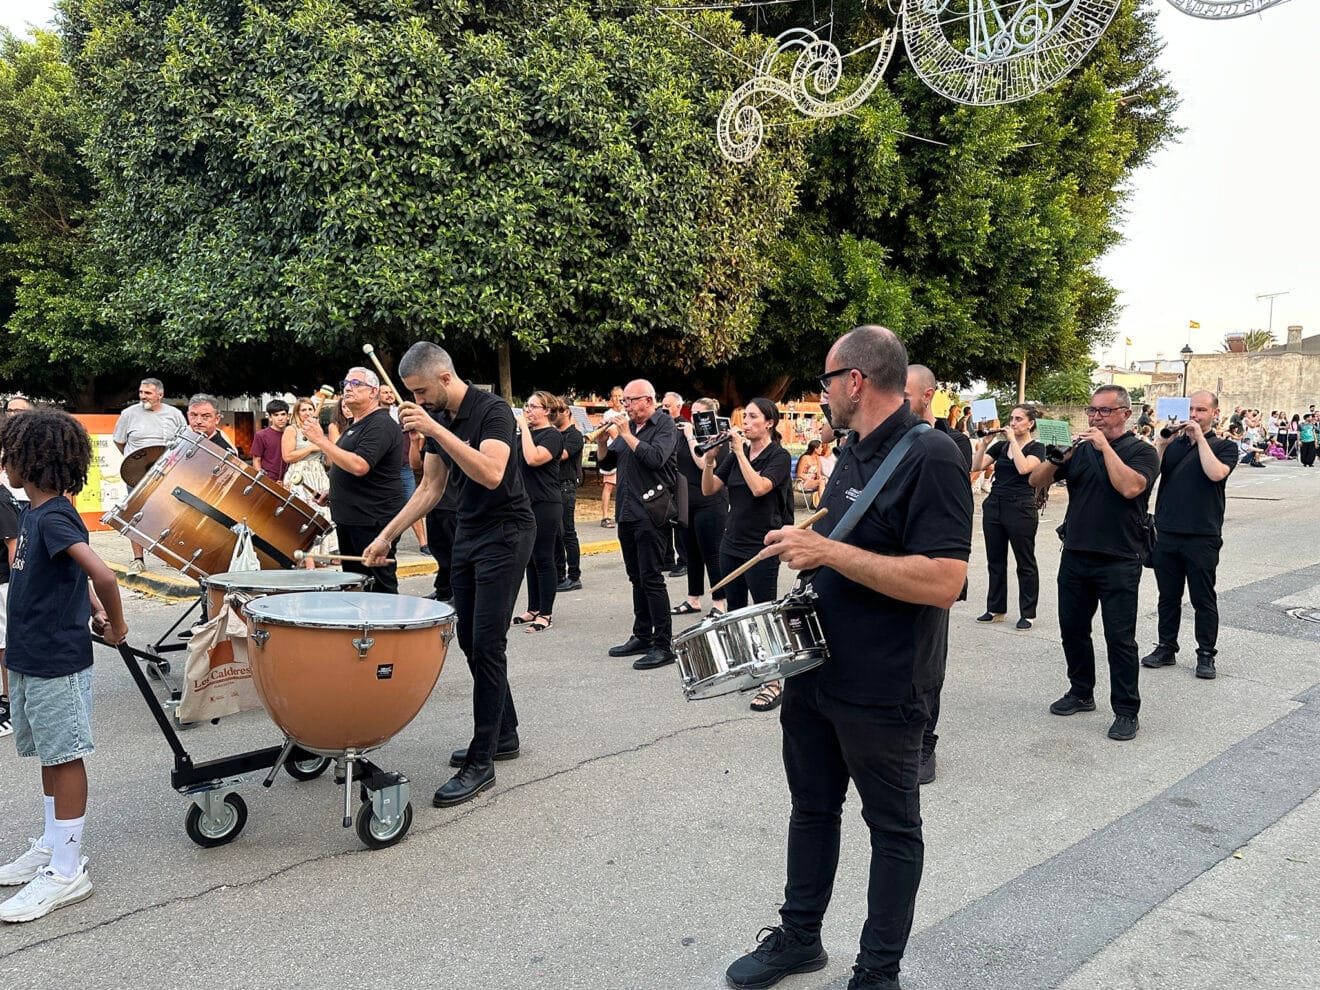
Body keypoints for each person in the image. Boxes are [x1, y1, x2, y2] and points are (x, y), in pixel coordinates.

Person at [725, 326, 971, 990]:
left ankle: (876, 973)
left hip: (886, 684)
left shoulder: (935, 456)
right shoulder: (854, 450)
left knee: (893, 830)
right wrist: (803, 539)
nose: (823, 393)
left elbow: (947, 581)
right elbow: (846, 537)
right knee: (812, 808)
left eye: (826, 381)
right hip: (817, 668)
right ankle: (800, 938)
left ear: (855, 381)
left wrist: (832, 554)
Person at [362, 341, 535, 806]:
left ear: (443, 377)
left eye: (420, 392)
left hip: (508, 530)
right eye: (411, 395)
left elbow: (492, 473)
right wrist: (387, 536)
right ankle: (505, 734)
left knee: (488, 641)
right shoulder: (436, 420)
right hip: (469, 532)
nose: (416, 401)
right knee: (469, 641)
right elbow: (431, 487)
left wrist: (436, 428)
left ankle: (483, 761)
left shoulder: (492, 410)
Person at [0, 409, 128, 923]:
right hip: (32, 656)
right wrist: (94, 609)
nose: (4, 462)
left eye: (10, 453)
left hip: (56, 661)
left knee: (65, 756)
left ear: (31, 461)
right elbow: (72, 580)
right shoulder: (32, 512)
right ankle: (53, 845)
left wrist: (115, 624)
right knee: (51, 756)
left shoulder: (52, 515)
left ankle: (69, 869)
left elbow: (104, 575)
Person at [1029, 385, 1159, 742]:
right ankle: (1081, 691)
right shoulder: (1081, 449)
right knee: (1072, 629)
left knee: (1119, 638)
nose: (1095, 417)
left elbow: (1131, 488)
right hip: (1076, 554)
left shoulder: (1141, 452)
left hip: (1120, 559)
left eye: (1104, 411)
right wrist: (1057, 458)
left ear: (1125, 414)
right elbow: (1035, 480)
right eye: (1092, 411)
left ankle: (1126, 710)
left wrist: (1104, 449)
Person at [905, 365, 973, 785]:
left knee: (928, 666)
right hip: (896, 569)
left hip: (932, 567)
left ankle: (925, 745)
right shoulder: (892, 441)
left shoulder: (950, 443)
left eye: (906, 392)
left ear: (928, 394)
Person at [702, 397, 792, 711]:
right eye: (746, 416)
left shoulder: (777, 456)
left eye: (753, 417)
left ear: (769, 422)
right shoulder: (735, 454)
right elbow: (709, 489)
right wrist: (711, 460)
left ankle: (773, 680)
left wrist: (739, 452)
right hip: (732, 541)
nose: (747, 422)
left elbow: (759, 488)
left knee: (764, 613)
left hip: (762, 544)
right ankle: (750, 668)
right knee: (736, 611)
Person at [1141, 391, 1238, 680]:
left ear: (1214, 414)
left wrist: (1200, 440)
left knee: (1202, 598)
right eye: (1191, 409)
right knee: (1167, 596)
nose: (1194, 415)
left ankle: (1206, 654)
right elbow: (1151, 475)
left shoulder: (1224, 447)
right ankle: (1166, 647)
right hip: (1167, 531)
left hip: (1202, 534)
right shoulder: (1173, 444)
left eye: (1201, 410)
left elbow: (1216, 474)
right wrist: (1161, 443)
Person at [301, 368, 403, 594]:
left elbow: (360, 465)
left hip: (372, 520)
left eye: (356, 383)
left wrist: (319, 439)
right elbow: (348, 465)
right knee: (357, 583)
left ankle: (387, 629)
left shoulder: (380, 424)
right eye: (346, 383)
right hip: (352, 519)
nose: (348, 387)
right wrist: (333, 493)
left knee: (378, 586)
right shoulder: (356, 425)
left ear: (373, 392)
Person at [600, 379, 679, 671]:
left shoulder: (665, 425)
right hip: (627, 512)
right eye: (625, 402)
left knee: (652, 578)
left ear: (648, 400)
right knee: (636, 578)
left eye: (631, 401)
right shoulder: (628, 428)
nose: (627, 406)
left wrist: (625, 434)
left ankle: (664, 644)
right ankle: (642, 634)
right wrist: (601, 440)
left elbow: (655, 458)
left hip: (651, 512)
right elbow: (607, 465)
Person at [971, 405, 1045, 629]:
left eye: (1018, 419)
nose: (1012, 423)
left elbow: (1024, 469)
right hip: (995, 504)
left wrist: (1013, 440)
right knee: (995, 559)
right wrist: (983, 446)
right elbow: (975, 466)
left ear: (1030, 423)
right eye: (1011, 418)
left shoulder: (1037, 448)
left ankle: (1028, 613)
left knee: (1025, 561)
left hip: (1021, 506)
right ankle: (995, 608)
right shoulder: (1001, 446)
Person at [112, 377, 186, 572]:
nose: (142, 396)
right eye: (141, 392)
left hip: (167, 473)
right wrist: (135, 462)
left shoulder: (175, 415)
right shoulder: (129, 414)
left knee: (171, 513)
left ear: (160, 395)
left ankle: (172, 557)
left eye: (148, 393)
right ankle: (138, 559)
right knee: (136, 515)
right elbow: (119, 442)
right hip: (138, 476)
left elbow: (184, 441)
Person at [512, 391, 564, 634]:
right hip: (524, 503)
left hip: (546, 503)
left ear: (547, 410)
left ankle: (546, 613)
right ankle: (533, 607)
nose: (528, 411)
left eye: (533, 407)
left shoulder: (552, 435)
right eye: (527, 407)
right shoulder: (526, 435)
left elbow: (533, 459)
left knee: (543, 558)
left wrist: (522, 427)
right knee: (529, 559)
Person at [672, 397, 729, 618]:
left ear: (709, 417)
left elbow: (704, 462)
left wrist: (689, 437)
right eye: (692, 413)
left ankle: (719, 602)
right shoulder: (686, 435)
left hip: (711, 503)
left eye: (698, 414)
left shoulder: (718, 438)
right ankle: (693, 599)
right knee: (691, 553)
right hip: (688, 501)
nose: (692, 418)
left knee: (712, 553)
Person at [281, 397, 334, 568]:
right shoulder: (292, 430)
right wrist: (311, 447)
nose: (308, 413)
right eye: (303, 410)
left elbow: (326, 459)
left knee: (323, 514)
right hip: (299, 474)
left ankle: (316, 556)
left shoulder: (317, 430)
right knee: (305, 515)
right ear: (297, 413)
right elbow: (287, 456)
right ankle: (307, 558)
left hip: (318, 474)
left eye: (310, 409)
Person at [379, 385, 429, 552]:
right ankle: (386, 541)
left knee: (413, 503)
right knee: (385, 507)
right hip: (385, 470)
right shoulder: (376, 417)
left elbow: (418, 434)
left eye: (391, 392)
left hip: (405, 466)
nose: (389, 395)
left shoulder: (402, 413)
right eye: (384, 392)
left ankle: (423, 543)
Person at [554, 400, 584, 592]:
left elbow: (559, 455)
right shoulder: (553, 434)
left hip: (565, 487)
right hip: (551, 487)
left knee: (567, 533)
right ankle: (559, 575)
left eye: (557, 410)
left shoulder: (574, 435)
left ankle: (574, 576)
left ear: (567, 411)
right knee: (555, 534)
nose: (554, 413)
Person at [660, 391, 688, 576]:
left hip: (679, 478)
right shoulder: (660, 426)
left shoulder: (684, 427)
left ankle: (684, 560)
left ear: (678, 407)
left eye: (668, 406)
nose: (664, 409)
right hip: (662, 479)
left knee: (679, 521)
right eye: (662, 405)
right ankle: (666, 558)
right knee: (662, 519)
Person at [0, 484, 18, 738]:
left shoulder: (1, 500)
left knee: (4, 644)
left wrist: (19, 589)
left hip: (3, 584)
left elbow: (14, 549)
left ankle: (11, 704)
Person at [597, 386, 626, 528]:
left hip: (626, 454)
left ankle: (620, 514)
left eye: (620, 396)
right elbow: (615, 434)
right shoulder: (609, 415)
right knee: (609, 485)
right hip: (613, 452)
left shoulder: (627, 413)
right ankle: (605, 516)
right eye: (615, 396)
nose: (618, 399)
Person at [248, 399, 289, 480]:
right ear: (270, 417)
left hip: (290, 480)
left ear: (288, 416)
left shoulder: (292, 434)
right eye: (276, 415)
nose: (280, 418)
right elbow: (256, 460)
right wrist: (263, 481)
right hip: (269, 480)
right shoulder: (261, 435)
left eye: (283, 414)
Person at [795, 440, 825, 509]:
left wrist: (819, 477)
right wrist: (809, 480)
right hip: (803, 482)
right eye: (820, 447)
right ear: (815, 449)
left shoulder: (818, 458)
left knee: (826, 480)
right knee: (821, 482)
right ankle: (823, 504)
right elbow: (799, 474)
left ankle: (825, 502)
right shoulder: (805, 458)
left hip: (814, 481)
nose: (822, 449)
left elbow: (818, 474)